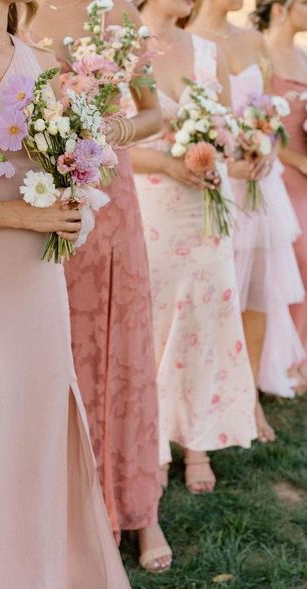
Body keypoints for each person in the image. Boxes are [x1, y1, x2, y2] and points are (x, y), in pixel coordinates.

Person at [0, 0, 134, 589]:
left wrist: (75, 207)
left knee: (36, 422)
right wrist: (22, 214)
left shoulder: (42, 62)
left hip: (35, 288)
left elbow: (67, 171)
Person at [31, 0, 172, 573]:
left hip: (113, 209)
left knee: (125, 352)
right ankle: (62, 512)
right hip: (44, 204)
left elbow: (154, 114)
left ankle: (140, 510)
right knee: (53, 357)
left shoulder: (121, 20)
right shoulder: (17, 14)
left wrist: (112, 128)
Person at [132, 0, 257, 495]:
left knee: (205, 318)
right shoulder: (119, 47)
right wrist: (166, 163)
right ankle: (153, 442)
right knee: (154, 321)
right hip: (152, 208)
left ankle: (199, 441)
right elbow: (106, 141)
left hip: (206, 207)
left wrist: (234, 151)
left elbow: (228, 134)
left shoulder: (209, 52)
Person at [189, 0, 305, 425]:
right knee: (215, 294)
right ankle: (204, 395)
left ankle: (249, 394)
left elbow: (270, 111)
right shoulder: (187, 37)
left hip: (259, 179)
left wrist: (266, 145)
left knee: (257, 293)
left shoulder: (253, 40)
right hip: (215, 178)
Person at [262, 0, 307, 394]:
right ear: (280, 8)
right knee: (292, 255)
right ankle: (278, 357)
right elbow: (258, 118)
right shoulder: (261, 50)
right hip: (279, 168)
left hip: (305, 167)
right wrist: (296, 161)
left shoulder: (304, 56)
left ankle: (300, 355)